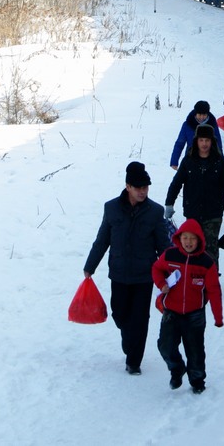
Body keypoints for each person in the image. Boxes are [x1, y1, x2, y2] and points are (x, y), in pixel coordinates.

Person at [83, 161, 170, 376]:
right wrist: (90, 266)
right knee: (120, 315)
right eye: (138, 187)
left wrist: (172, 272)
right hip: (119, 274)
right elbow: (102, 240)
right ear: (128, 186)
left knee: (140, 319)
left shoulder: (155, 212)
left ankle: (134, 361)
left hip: (144, 276)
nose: (143, 191)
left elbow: (164, 247)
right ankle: (128, 339)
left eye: (146, 187)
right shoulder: (111, 208)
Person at [151, 218, 223, 394]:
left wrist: (218, 317)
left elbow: (214, 290)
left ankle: (197, 380)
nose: (188, 242)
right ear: (179, 238)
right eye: (185, 238)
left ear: (199, 240)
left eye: (192, 238)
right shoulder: (170, 255)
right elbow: (156, 268)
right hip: (171, 312)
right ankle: (177, 368)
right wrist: (161, 284)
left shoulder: (207, 262)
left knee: (195, 350)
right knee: (165, 346)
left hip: (195, 314)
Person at [164, 124, 224, 266]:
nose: (204, 144)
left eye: (207, 140)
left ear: (212, 141)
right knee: (192, 247)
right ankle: (194, 280)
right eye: (201, 140)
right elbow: (176, 183)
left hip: (213, 213)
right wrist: (169, 203)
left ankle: (211, 281)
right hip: (192, 211)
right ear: (196, 141)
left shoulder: (219, 161)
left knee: (210, 249)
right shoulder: (188, 161)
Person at [170, 100, 223, 169]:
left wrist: (221, 161)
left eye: (204, 115)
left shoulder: (212, 125)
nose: (201, 117)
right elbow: (180, 143)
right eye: (199, 114)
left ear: (207, 114)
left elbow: (218, 144)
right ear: (195, 113)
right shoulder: (187, 125)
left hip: (209, 159)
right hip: (191, 158)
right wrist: (174, 161)